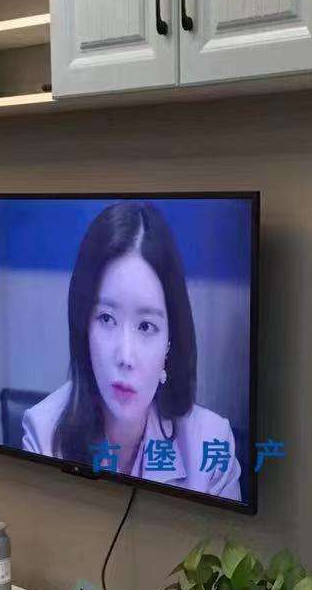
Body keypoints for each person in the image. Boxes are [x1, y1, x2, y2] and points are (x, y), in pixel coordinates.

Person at [22, 202, 241, 501]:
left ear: (170, 340)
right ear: (83, 325)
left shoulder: (211, 444)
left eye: (146, 326)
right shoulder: (44, 434)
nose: (125, 357)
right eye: (106, 318)